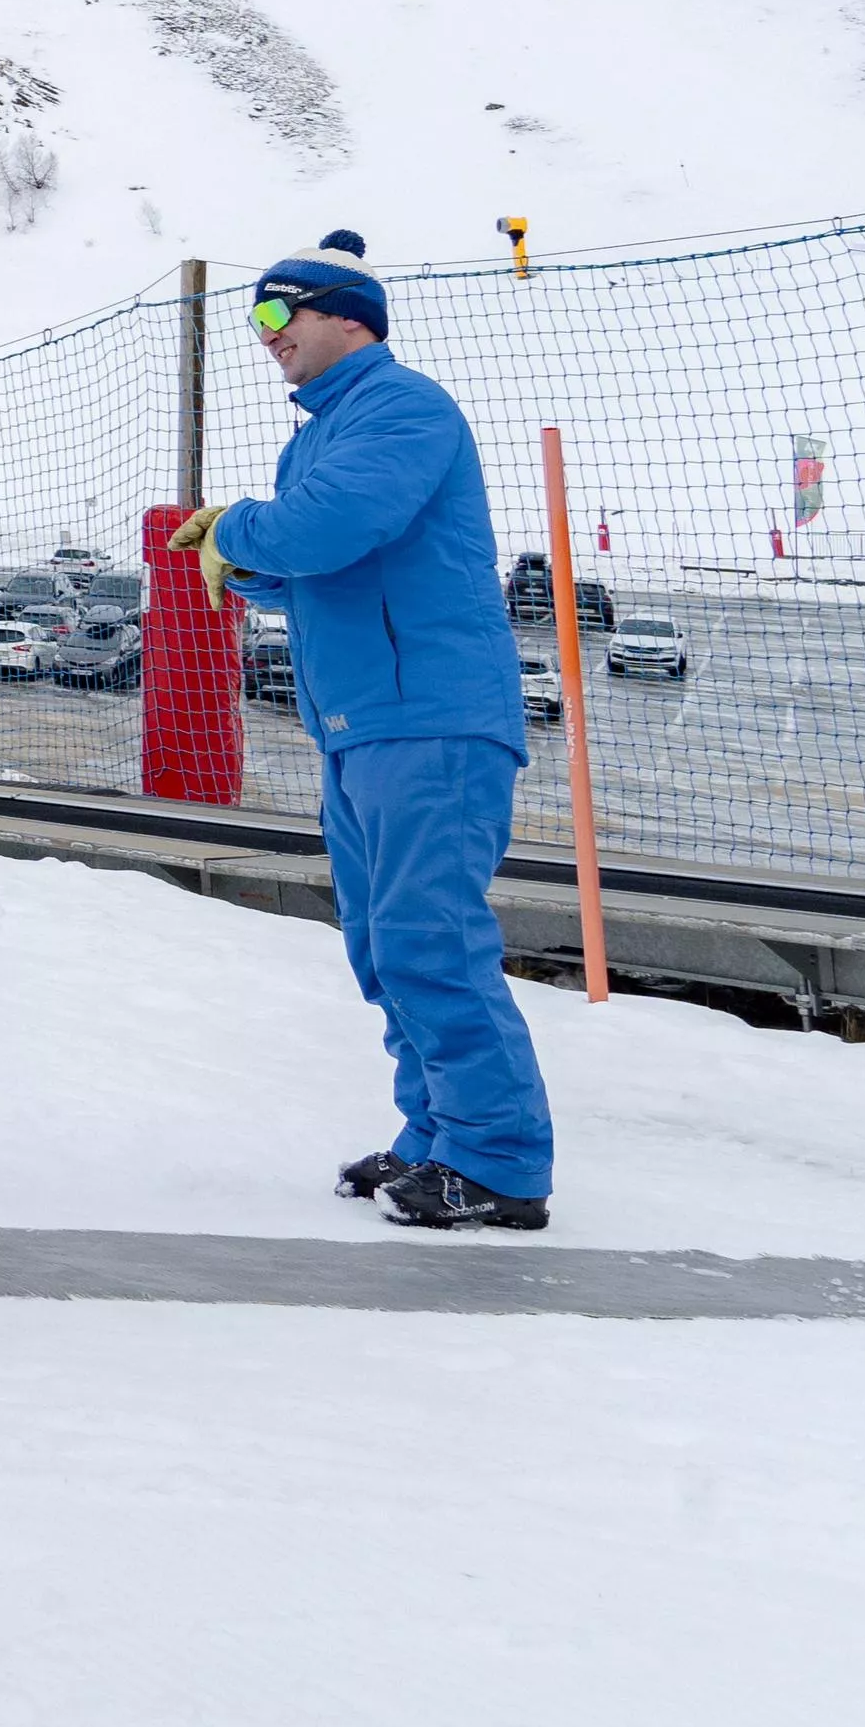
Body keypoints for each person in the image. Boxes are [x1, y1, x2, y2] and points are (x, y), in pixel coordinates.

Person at [175, 235, 552, 1231]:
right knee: (381, 945)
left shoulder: (400, 408)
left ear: (349, 317)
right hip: (362, 726)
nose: (262, 338)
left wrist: (237, 529)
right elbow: (317, 558)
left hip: (428, 717)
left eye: (273, 315)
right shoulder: (322, 431)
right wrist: (241, 560)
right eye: (251, 320)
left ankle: (499, 1162)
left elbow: (324, 527)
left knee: (430, 939)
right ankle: (435, 1139)